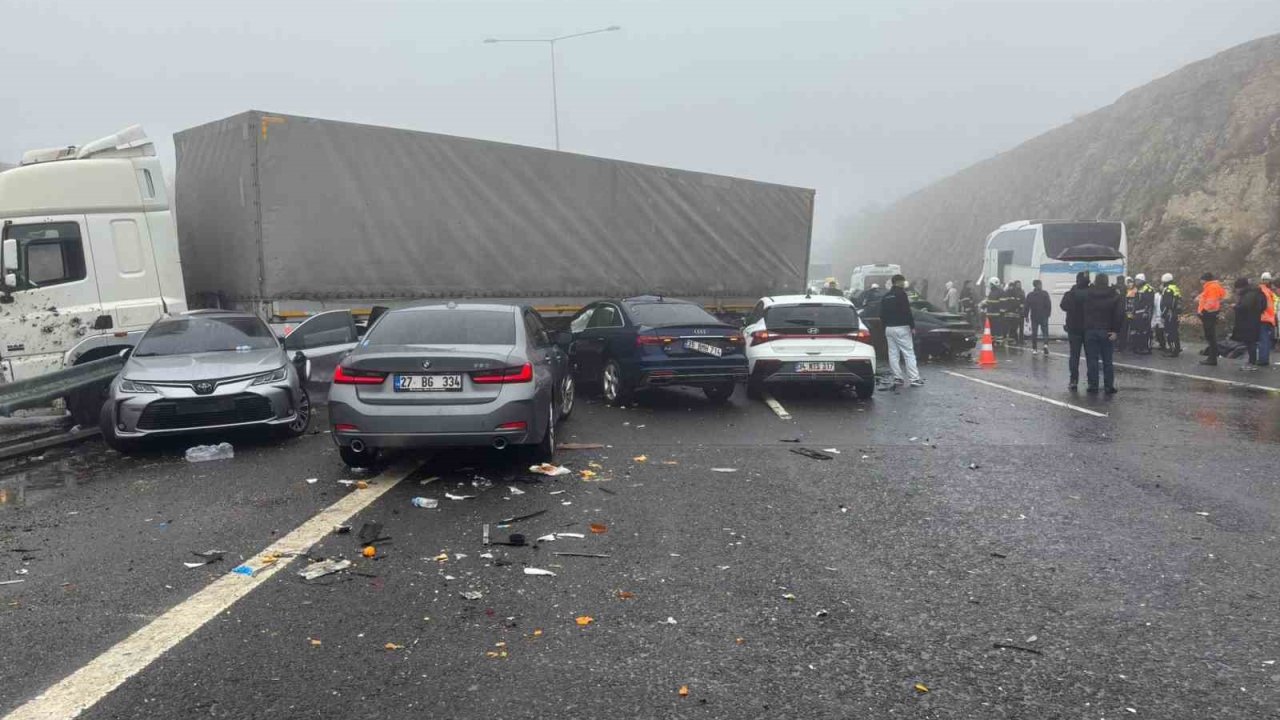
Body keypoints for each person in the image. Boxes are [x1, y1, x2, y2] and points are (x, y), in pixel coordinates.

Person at [1083, 273, 1124, 394]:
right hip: (1107, 330)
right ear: (1107, 281)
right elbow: (1119, 314)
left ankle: (1093, 385)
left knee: (1092, 359)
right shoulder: (1114, 295)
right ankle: (1108, 386)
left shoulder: (1088, 294)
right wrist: (1116, 330)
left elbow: (1082, 310)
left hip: (1091, 330)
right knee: (1107, 360)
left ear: (1095, 281)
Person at [881, 274, 923, 387]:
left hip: (889, 328)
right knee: (908, 353)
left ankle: (897, 378)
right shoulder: (901, 294)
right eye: (903, 281)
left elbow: (882, 314)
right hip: (902, 327)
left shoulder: (886, 296)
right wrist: (912, 326)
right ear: (898, 282)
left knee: (893, 354)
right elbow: (906, 311)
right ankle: (914, 378)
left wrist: (885, 326)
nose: (904, 283)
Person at [1059, 271, 1091, 390]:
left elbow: (1063, 306)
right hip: (1088, 328)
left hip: (1074, 328)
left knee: (1074, 356)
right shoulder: (1092, 293)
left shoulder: (1071, 293)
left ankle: (1073, 380)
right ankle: (1091, 380)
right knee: (1090, 356)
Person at [1231, 277, 1264, 368]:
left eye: (1237, 288)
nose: (1236, 291)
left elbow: (1245, 307)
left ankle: (1252, 362)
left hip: (1249, 322)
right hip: (1253, 320)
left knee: (1250, 342)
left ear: (1241, 287)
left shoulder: (1249, 295)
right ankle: (1251, 361)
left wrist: (1235, 307)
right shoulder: (1255, 293)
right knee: (1251, 342)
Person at [1198, 272, 1227, 365]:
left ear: (1205, 279)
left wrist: (1203, 311)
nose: (1200, 281)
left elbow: (1211, 302)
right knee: (1211, 336)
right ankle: (1212, 357)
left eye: (1201, 279)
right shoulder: (1212, 286)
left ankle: (1212, 358)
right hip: (1211, 313)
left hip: (1208, 314)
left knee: (1211, 337)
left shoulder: (1211, 287)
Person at [1158, 272, 1183, 357]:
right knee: (1174, 332)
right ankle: (1176, 348)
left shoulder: (1168, 289)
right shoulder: (1175, 288)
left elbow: (1167, 304)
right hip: (1175, 313)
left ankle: (1173, 350)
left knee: (1170, 332)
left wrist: (1163, 315)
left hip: (1170, 314)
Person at [1025, 279, 1052, 354]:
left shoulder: (1030, 295)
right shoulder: (1045, 293)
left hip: (1034, 316)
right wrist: (1048, 314)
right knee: (1045, 332)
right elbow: (1048, 304)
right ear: (1039, 285)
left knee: (1034, 333)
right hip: (1043, 316)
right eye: (1040, 284)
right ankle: (1045, 345)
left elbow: (1027, 306)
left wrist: (1026, 316)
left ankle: (1034, 349)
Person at [1130, 273, 1155, 354]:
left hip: (1144, 313)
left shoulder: (1148, 289)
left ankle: (1146, 348)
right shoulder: (1139, 288)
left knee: (1145, 331)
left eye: (1137, 280)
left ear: (1142, 280)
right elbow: (1136, 301)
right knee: (1139, 330)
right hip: (1138, 313)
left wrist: (1146, 312)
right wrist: (1133, 312)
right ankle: (1139, 346)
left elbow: (1149, 302)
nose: (1136, 282)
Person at [1258, 272, 1276, 367]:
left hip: (1263, 318)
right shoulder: (1269, 292)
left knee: (1263, 339)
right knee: (1266, 340)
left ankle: (1263, 359)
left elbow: (1260, 305)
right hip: (1270, 319)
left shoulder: (1261, 290)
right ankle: (1264, 359)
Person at [1119, 276, 1136, 353]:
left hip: (1132, 313)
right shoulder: (1123, 291)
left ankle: (1132, 346)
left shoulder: (1135, 291)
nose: (1130, 284)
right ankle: (1122, 346)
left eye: (1131, 282)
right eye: (1128, 282)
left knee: (1132, 330)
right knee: (1123, 331)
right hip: (1125, 313)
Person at [1006, 280, 1026, 344]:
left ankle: (1021, 340)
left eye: (1020, 284)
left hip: (1021, 312)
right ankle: (1015, 339)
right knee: (1014, 327)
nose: (1019, 286)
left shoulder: (1022, 292)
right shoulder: (1013, 292)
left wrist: (1023, 307)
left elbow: (1024, 301)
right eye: (1017, 285)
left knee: (1021, 327)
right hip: (1016, 312)